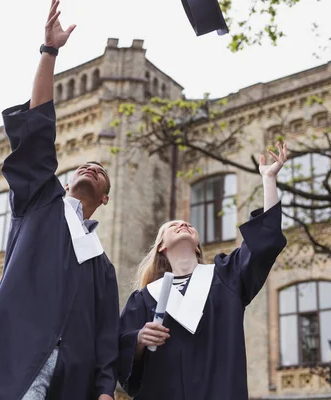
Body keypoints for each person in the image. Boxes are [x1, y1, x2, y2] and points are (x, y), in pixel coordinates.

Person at [0, 1, 119, 400]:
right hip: (22, 361)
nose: (91, 167)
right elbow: (39, 132)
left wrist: (105, 389)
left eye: (101, 170)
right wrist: (49, 53)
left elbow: (105, 333)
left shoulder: (101, 264)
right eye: (85, 165)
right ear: (65, 182)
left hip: (72, 378)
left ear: (107, 198)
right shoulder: (39, 206)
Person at [117, 142, 289, 400]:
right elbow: (118, 355)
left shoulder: (226, 276)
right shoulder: (143, 299)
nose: (184, 223)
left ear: (198, 246)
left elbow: (264, 244)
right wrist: (139, 340)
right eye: (173, 225)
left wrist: (268, 180)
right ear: (161, 247)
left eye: (188, 224)